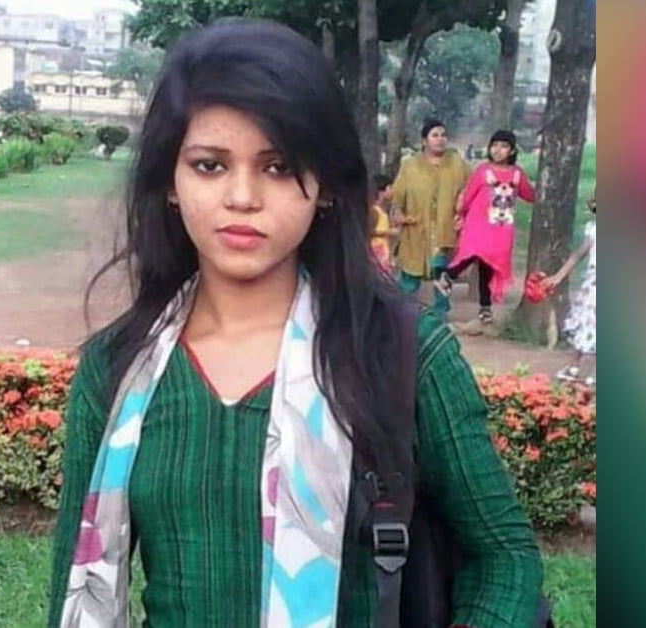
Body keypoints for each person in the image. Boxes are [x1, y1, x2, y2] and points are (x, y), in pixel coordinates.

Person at [47, 19, 541, 628]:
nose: (242, 197)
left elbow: (504, 560)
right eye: (209, 165)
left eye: (279, 167)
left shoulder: (403, 352)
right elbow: (72, 582)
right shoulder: (116, 369)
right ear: (170, 182)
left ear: (326, 186)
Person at [444, 129, 536, 334]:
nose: (498, 150)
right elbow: (469, 195)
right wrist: (460, 213)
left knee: (487, 267)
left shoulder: (517, 174)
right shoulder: (483, 171)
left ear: (512, 150)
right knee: (474, 252)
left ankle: (485, 312)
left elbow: (530, 195)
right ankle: (448, 275)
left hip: (502, 227)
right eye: (494, 145)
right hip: (478, 223)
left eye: (503, 146)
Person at [391, 119, 471, 319]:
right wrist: (398, 213)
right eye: (435, 135)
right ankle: (404, 317)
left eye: (443, 135)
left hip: (445, 229)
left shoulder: (457, 163)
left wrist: (464, 214)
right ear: (424, 140)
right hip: (416, 229)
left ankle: (440, 317)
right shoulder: (410, 165)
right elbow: (397, 196)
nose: (440, 139)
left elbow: (471, 190)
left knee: (442, 273)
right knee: (409, 277)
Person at [543, 194, 597, 386]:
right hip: (592, 289)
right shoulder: (594, 230)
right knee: (582, 324)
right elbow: (577, 256)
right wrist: (558, 277)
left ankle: (594, 373)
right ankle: (573, 367)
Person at [369, 174, 398, 274]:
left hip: (383, 255)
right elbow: (368, 231)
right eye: (390, 188)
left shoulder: (382, 211)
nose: (392, 191)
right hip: (376, 256)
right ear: (381, 191)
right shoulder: (374, 211)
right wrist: (389, 232)